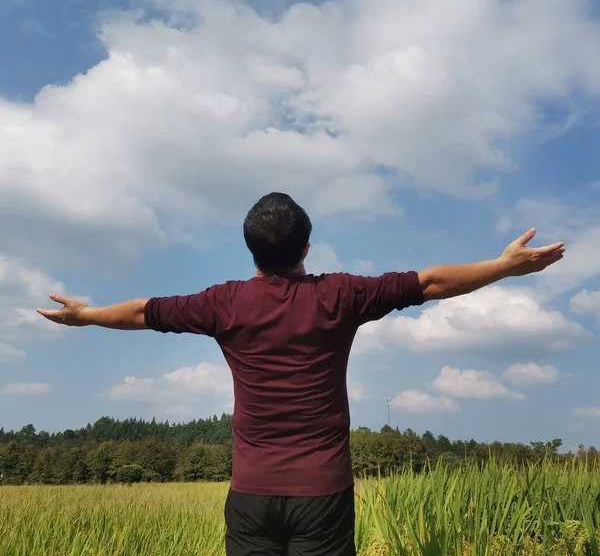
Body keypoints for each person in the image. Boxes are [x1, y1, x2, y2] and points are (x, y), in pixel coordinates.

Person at [37, 192, 565, 556]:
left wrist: (83, 315)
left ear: (252, 249)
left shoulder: (224, 303)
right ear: (306, 248)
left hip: (251, 495)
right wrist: (503, 266)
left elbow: (140, 312)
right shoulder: (340, 295)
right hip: (323, 495)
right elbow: (430, 283)